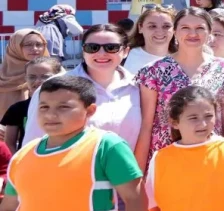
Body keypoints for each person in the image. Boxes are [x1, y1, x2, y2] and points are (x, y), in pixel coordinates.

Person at [0, 75, 147, 211]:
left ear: (90, 110)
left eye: (63, 107)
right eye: (44, 107)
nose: (51, 114)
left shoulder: (107, 146)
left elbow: (135, 198)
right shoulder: (23, 156)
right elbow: (8, 209)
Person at [134, 8, 224, 171]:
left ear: (209, 32)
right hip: (166, 157)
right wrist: (138, 172)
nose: (192, 33)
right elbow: (146, 124)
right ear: (175, 32)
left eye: (200, 28)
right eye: (185, 28)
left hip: (210, 155)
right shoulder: (153, 71)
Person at [23, 23, 142, 152]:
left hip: (129, 165)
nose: (101, 53)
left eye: (111, 47)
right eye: (92, 47)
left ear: (126, 51)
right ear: (84, 51)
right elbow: (33, 141)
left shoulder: (140, 87)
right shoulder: (55, 86)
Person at [3, 57, 61, 152]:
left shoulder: (67, 106)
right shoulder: (17, 108)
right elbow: (9, 142)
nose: (38, 81)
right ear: (25, 78)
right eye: (32, 77)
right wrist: (17, 159)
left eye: (45, 77)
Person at [0, 30, 48, 115]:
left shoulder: (56, 72)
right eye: (28, 45)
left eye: (39, 44)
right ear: (15, 47)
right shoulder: (3, 77)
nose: (34, 49)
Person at [124, 5, 176, 74]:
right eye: (152, 26)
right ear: (140, 28)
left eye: (166, 26)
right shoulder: (122, 56)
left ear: (174, 29)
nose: (159, 32)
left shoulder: (185, 57)